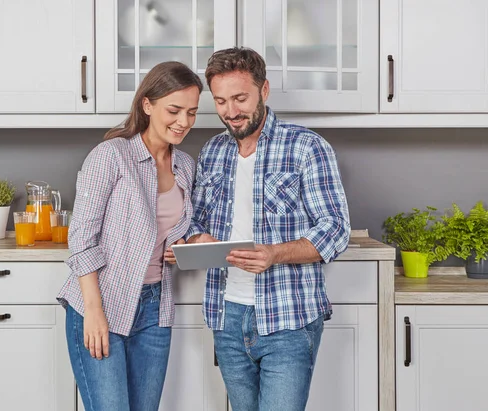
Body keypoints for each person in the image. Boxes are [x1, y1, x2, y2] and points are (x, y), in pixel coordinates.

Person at [184, 47, 351, 411]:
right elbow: (193, 219)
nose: (231, 111)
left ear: (264, 90)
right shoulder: (212, 152)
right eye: (221, 101)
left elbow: (336, 229)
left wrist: (274, 254)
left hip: (288, 318)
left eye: (240, 98)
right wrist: (199, 238)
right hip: (226, 315)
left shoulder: (306, 147)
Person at [57, 61, 202, 411]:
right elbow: (81, 239)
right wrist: (93, 311)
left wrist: (186, 245)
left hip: (155, 308)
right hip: (100, 303)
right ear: (147, 105)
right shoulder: (111, 156)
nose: (183, 122)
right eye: (174, 110)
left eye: (192, 112)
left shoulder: (185, 165)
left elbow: (179, 229)